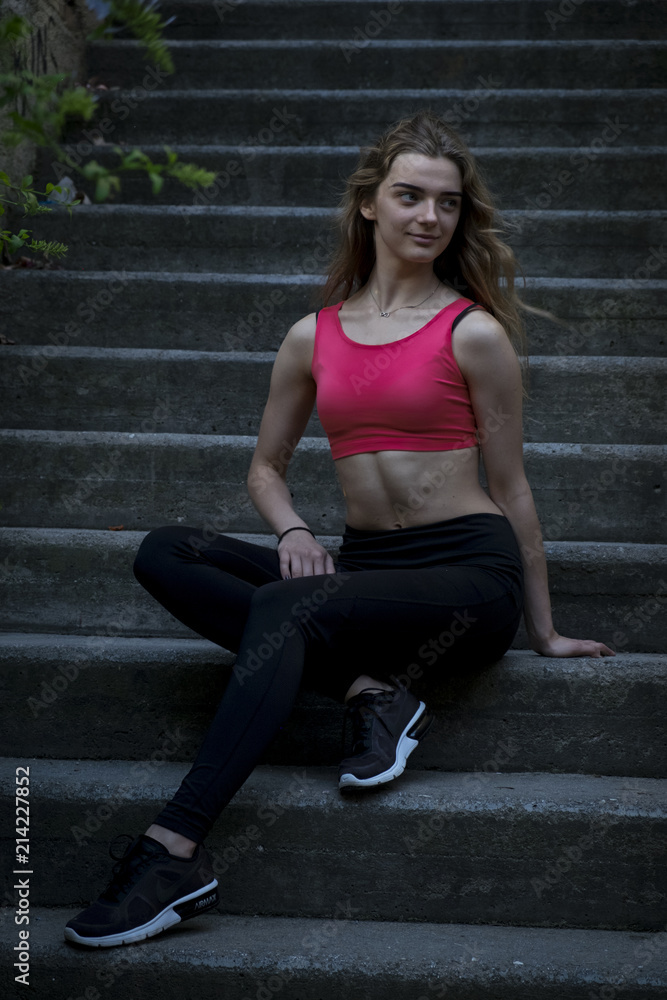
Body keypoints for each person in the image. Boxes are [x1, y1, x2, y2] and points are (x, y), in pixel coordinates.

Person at [64, 110, 614, 949]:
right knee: (167, 550)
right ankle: (369, 691)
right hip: (363, 576)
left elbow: (512, 486)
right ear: (369, 204)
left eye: (447, 203)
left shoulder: (473, 331)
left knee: (288, 612)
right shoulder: (310, 336)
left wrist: (542, 629)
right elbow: (265, 469)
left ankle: (171, 849)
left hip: (466, 578)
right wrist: (289, 531)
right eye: (408, 196)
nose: (429, 217)